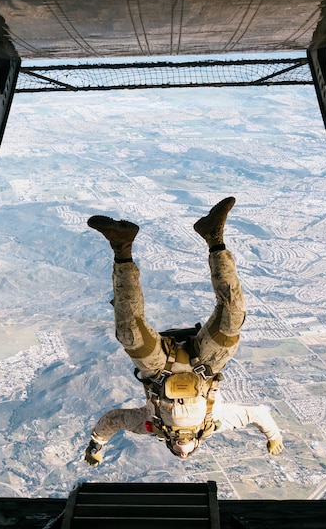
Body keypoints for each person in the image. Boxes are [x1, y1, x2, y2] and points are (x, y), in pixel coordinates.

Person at [83, 196, 284, 465]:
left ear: (168, 442)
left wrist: (96, 444)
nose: (183, 449)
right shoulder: (218, 421)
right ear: (198, 442)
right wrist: (273, 435)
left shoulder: (149, 424)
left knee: (129, 332)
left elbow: (113, 420)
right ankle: (214, 237)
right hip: (205, 364)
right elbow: (258, 414)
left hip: (158, 368)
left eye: (177, 451)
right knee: (232, 317)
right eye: (188, 451)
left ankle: (122, 246)